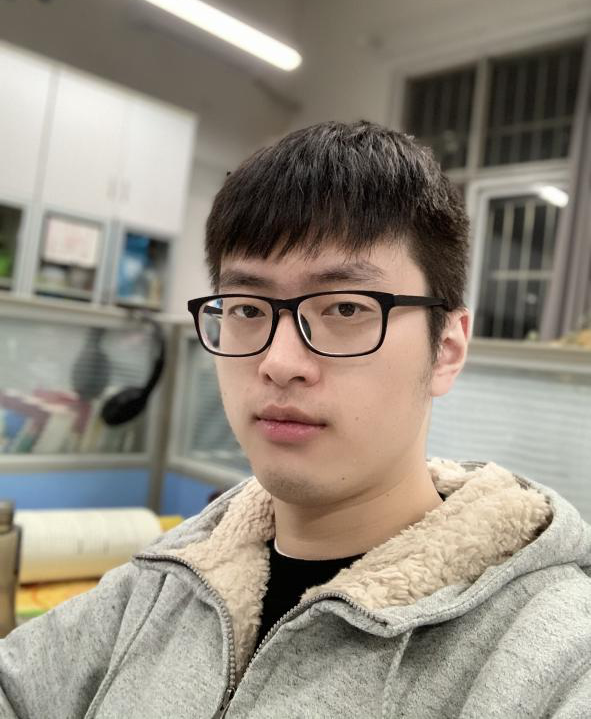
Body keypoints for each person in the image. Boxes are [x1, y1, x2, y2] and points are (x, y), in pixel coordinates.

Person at [1, 121, 590, 719]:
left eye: (346, 308)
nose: (279, 363)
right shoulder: (170, 576)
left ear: (447, 349)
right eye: (247, 308)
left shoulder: (555, 658)